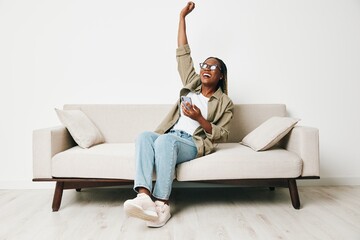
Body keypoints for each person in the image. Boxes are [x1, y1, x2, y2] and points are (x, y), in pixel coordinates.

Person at [123, 1, 234, 228]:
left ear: (221, 75)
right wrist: (182, 17)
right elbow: (183, 55)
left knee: (165, 140)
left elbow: (222, 134)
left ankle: (162, 204)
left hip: (192, 143)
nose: (205, 69)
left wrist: (200, 119)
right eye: (204, 65)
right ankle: (144, 197)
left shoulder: (225, 102)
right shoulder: (191, 85)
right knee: (145, 136)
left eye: (212, 67)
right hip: (171, 135)